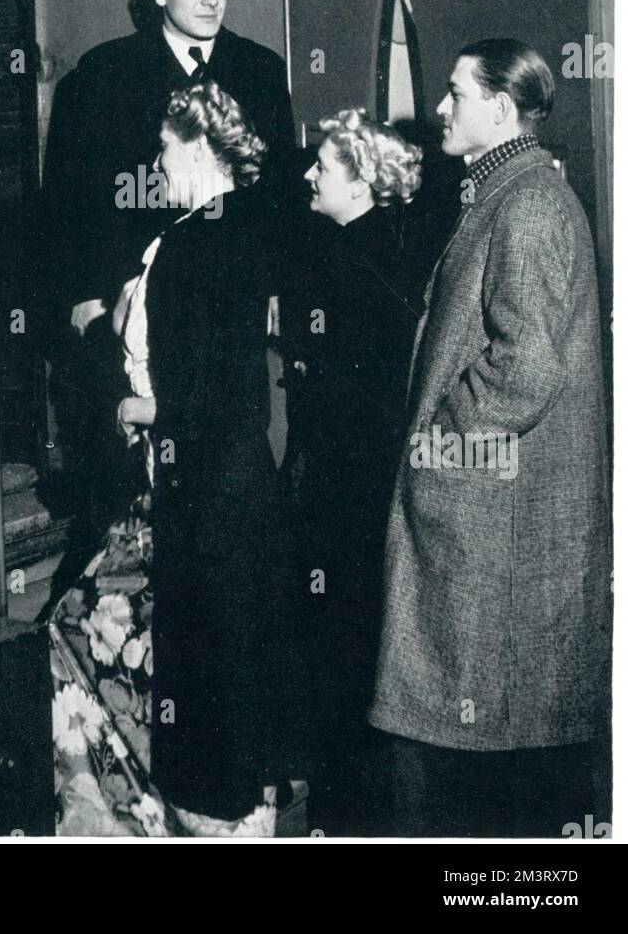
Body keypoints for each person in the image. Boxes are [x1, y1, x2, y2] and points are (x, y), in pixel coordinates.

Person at [368, 39, 611, 837]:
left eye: (454, 93)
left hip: (492, 536)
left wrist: (439, 452)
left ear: (500, 110)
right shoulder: (506, 194)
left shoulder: (529, 204)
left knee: (461, 774)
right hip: (488, 531)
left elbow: (527, 369)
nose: (439, 107)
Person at [48, 82, 301, 836]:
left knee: (184, 679)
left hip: (200, 501)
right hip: (243, 493)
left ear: (195, 149)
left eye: (166, 147)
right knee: (235, 694)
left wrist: (131, 408)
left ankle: (152, 819)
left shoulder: (191, 244)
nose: (158, 162)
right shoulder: (253, 230)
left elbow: (207, 396)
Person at [40, 0, 296, 543]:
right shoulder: (105, 72)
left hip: (223, 306)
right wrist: (85, 291)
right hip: (127, 303)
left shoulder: (260, 71)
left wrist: (276, 286)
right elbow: (71, 199)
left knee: (219, 459)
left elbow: (281, 197)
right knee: (130, 490)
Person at [281, 108, 423, 835]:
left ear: (363, 181)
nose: (308, 175)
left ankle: (346, 811)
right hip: (356, 489)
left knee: (343, 645)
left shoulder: (354, 260)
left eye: (324, 168)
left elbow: (352, 397)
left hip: (348, 493)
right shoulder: (369, 247)